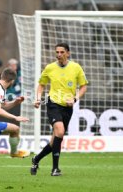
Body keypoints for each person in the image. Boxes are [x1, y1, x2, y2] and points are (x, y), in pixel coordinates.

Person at [31, 43, 88, 176]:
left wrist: (75, 99)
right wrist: (38, 98)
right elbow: (41, 85)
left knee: (54, 140)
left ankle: (36, 159)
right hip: (53, 103)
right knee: (60, 132)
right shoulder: (50, 68)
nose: (59, 55)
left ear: (68, 53)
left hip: (68, 107)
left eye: (62, 52)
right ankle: (55, 169)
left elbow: (84, 86)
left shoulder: (76, 67)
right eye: (57, 52)